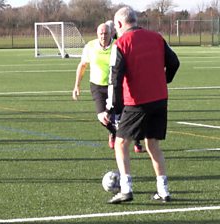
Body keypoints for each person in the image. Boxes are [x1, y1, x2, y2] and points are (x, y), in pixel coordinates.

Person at [98, 6, 180, 204]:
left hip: (137, 102)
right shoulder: (157, 38)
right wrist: (163, 79)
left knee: (120, 143)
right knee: (153, 144)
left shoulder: (122, 43)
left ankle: (126, 189)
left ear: (118, 24)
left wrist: (113, 110)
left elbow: (114, 80)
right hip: (160, 100)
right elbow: (175, 62)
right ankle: (163, 190)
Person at [72, 23, 143, 152]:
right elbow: (82, 65)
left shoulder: (118, 44)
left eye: (106, 33)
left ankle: (137, 142)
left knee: (123, 116)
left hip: (116, 85)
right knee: (103, 118)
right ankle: (114, 133)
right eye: (101, 33)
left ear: (111, 33)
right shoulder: (90, 46)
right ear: (97, 34)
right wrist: (77, 85)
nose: (103, 36)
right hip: (97, 86)